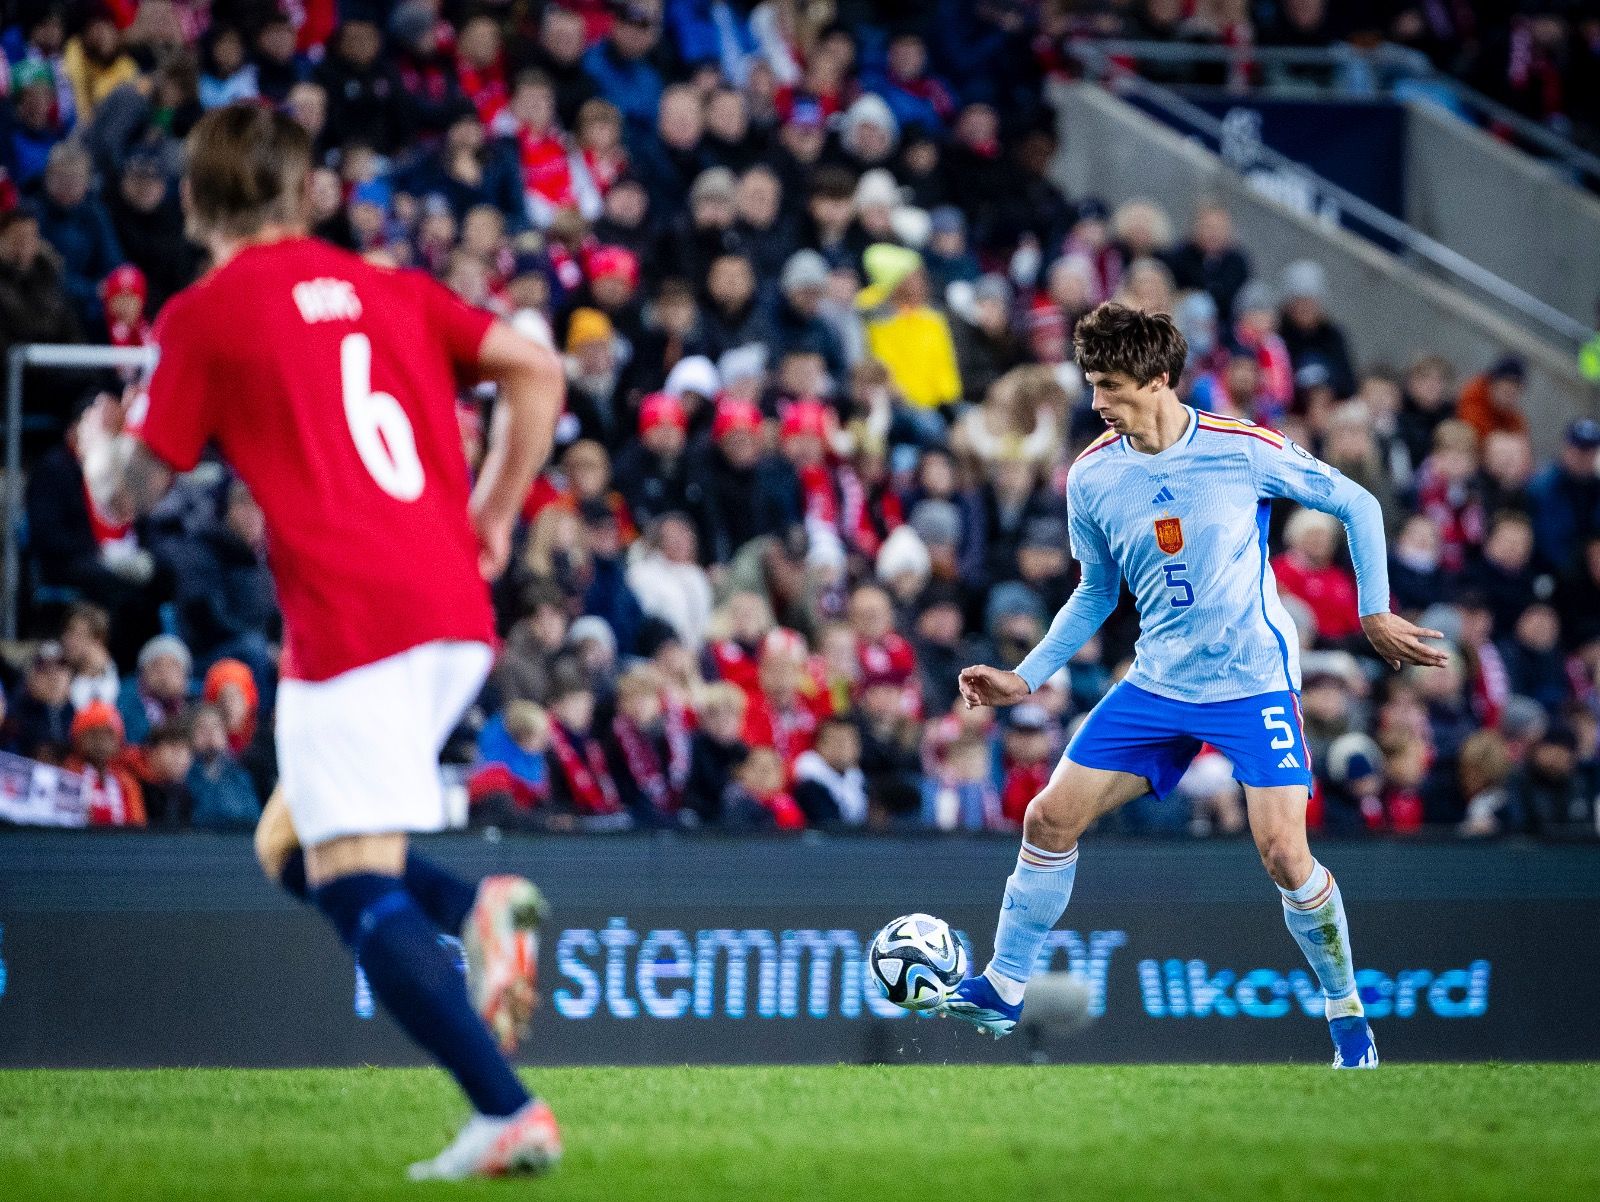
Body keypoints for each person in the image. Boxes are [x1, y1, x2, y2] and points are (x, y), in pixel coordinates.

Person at [90, 105, 566, 1178]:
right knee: (285, 845)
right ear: (308, 194)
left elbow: (128, 496)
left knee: (350, 878)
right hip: (453, 615)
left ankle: (506, 1110)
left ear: (194, 203)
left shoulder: (205, 314)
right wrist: (493, 513)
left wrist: (93, 448)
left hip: (353, 621)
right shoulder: (392, 286)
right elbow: (538, 369)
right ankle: (465, 901)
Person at [951, 303, 1444, 1068]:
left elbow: (1358, 501)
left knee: (1284, 855)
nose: (1096, 401)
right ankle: (1004, 987)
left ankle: (1347, 1015)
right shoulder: (1092, 476)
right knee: (1048, 820)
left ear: (1156, 380)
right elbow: (1095, 591)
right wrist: (1026, 676)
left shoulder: (1239, 449)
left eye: (1109, 385)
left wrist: (1374, 609)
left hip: (1252, 683)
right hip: (1158, 684)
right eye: (1091, 384)